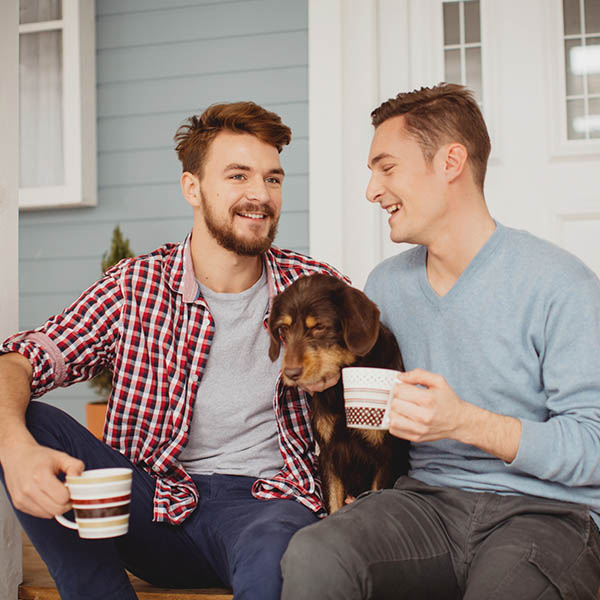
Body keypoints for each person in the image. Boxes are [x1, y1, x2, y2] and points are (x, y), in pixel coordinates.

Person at [0, 101, 344, 600]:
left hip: (266, 508)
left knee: (277, 559)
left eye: (273, 179)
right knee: (24, 418)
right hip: (150, 507)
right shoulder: (135, 286)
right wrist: (14, 450)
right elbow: (23, 358)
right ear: (192, 188)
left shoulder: (314, 286)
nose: (260, 194)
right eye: (238, 176)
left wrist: (340, 373)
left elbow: (378, 363)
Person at [280, 83, 600, 598]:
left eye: (387, 168)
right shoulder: (386, 286)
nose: (371, 190)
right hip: (425, 503)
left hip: (546, 513)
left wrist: (467, 422)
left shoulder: (560, 285)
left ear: (451, 161)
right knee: (315, 553)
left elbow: (594, 445)